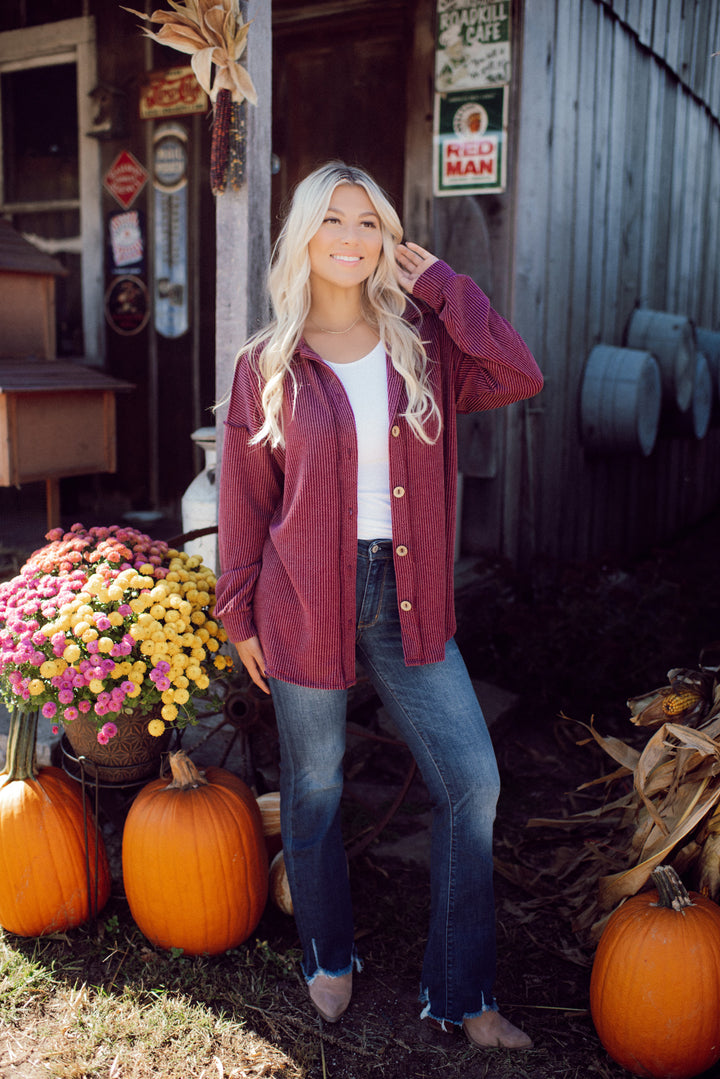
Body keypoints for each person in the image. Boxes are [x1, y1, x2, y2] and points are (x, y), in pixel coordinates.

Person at [215, 161, 543, 1050]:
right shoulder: (267, 364)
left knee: (471, 779)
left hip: (409, 599)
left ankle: (463, 991)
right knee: (314, 787)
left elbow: (518, 373)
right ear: (304, 238)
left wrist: (442, 284)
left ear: (388, 237)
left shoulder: (423, 342)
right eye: (334, 220)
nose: (352, 237)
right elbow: (244, 499)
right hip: (302, 596)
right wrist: (238, 610)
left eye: (369, 221)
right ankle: (328, 953)